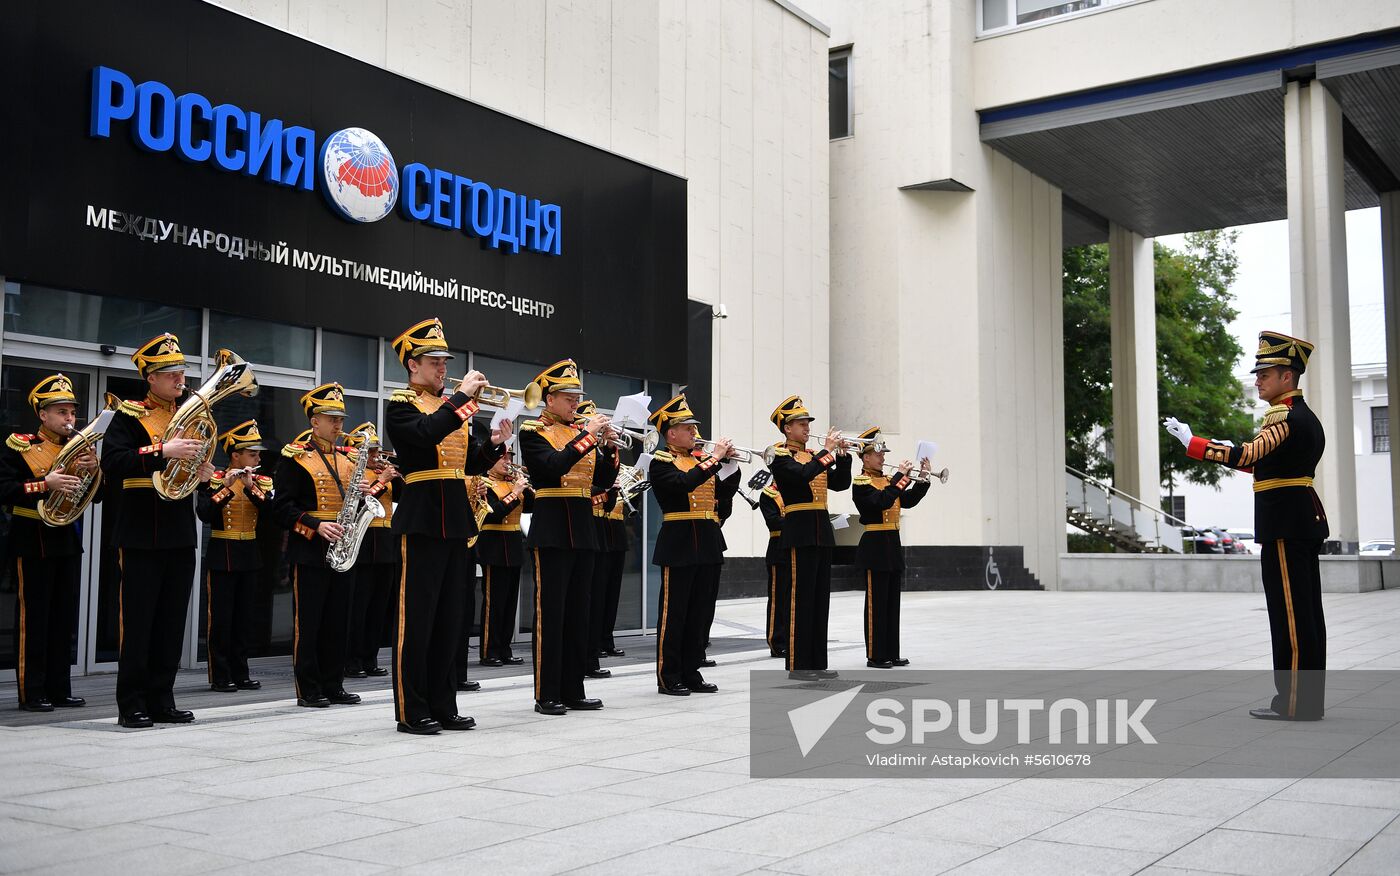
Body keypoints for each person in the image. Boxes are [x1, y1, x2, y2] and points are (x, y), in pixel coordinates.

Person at [1164, 330, 1328, 721]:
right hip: (1296, 519)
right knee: (1303, 615)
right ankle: (1304, 701)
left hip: (1286, 523)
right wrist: (1225, 449)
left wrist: (1195, 443)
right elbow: (1263, 463)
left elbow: (1249, 455)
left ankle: (1295, 704)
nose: (1257, 380)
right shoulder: (1299, 418)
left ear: (1287, 376)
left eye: (1265, 374)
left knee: (1290, 616)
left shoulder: (1287, 417)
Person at [384, 317, 509, 734]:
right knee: (417, 620)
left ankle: (444, 704)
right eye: (433, 361)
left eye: (444, 361)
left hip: (456, 519)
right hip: (421, 516)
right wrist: (460, 399)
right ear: (412, 366)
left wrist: (492, 447)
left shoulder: (454, 409)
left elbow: (468, 464)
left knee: (450, 620)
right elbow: (424, 435)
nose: (441, 367)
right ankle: (411, 709)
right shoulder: (401, 403)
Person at [103, 333, 216, 728]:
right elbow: (113, 461)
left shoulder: (188, 412)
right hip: (138, 530)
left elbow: (195, 469)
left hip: (179, 531)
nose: (179, 380)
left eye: (182, 373)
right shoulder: (129, 415)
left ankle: (162, 699)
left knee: (171, 622)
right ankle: (131, 703)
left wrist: (204, 475)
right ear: (150, 377)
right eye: (170, 374)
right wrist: (162, 452)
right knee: (138, 623)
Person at [0, 374, 100, 711]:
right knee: (35, 620)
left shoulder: (78, 449)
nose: (69, 419)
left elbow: (96, 497)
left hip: (66, 539)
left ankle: (60, 688)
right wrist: (44, 484)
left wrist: (94, 469)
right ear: (43, 415)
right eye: (61, 412)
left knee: (62, 619)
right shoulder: (20, 445)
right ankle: (33, 692)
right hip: (32, 539)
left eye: (71, 412)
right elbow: (4, 490)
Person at [518, 360, 608, 715]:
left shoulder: (579, 434)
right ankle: (547, 692)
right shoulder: (532, 431)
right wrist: (588, 438)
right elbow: (552, 467)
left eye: (576, 398)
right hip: (553, 526)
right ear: (550, 399)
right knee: (551, 614)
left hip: (583, 528)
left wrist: (608, 448)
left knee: (578, 614)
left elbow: (602, 477)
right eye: (569, 398)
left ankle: (573, 688)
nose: (575, 404)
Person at [273, 383, 366, 710]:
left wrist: (364, 494)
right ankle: (308, 688)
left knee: (338, 621)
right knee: (309, 623)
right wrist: (315, 526)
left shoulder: (349, 458)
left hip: (343, 549)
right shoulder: (295, 457)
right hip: (311, 549)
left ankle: (334, 683)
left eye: (340, 418)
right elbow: (281, 508)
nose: (338, 424)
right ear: (314, 420)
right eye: (331, 418)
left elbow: (352, 501)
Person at [647, 393, 741, 695]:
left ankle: (691, 671)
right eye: (688, 428)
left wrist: (729, 465)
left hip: (709, 540)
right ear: (671, 433)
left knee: (701, 613)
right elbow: (682, 484)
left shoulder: (701, 461)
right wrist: (714, 460)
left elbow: (724, 493)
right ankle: (669, 674)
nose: (695, 433)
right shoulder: (661, 462)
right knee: (674, 614)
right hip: (679, 541)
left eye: (694, 427)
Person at [767, 395, 851, 681]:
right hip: (799, 530)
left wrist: (843, 456)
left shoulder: (813, 456)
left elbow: (840, 483)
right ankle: (798, 665)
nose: (806, 427)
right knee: (800, 600)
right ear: (787, 428)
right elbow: (802, 476)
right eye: (800, 423)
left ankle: (816, 662)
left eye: (806, 423)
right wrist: (826, 453)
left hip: (821, 531)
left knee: (819, 601)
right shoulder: (779, 455)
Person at [196, 420, 273, 692]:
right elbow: (204, 513)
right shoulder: (214, 479)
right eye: (252, 454)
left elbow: (272, 514)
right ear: (235, 455)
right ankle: (220, 674)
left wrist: (251, 488)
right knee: (221, 619)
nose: (258, 458)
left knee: (244, 618)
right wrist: (226, 488)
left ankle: (241, 672)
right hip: (222, 553)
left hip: (249, 554)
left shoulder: (261, 482)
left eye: (257, 454)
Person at [850, 427, 930, 668]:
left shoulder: (887, 481)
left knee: (891, 604)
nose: (883, 457)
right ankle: (875, 654)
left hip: (891, 545)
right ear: (865, 457)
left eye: (883, 453)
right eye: (878, 453)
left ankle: (891, 652)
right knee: (876, 605)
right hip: (874, 546)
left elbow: (908, 500)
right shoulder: (862, 483)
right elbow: (880, 502)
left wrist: (923, 478)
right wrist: (900, 479)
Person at [341, 423, 401, 680]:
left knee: (379, 606)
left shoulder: (380, 473)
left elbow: (402, 497)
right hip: (363, 541)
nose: (377, 457)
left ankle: (370, 657)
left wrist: (398, 478)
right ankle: (352, 660)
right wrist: (382, 480)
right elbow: (357, 502)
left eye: (378, 452)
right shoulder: (352, 473)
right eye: (372, 452)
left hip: (385, 542)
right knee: (359, 605)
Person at [577, 398, 620, 680]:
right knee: (583, 600)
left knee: (596, 597)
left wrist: (608, 446)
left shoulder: (596, 449)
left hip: (596, 526)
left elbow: (604, 480)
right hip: (580, 520)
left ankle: (591, 656)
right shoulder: (574, 445)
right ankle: (583, 658)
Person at [476, 456, 531, 667]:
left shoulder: (511, 482)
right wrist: (515, 492)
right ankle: (489, 651)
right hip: (494, 545)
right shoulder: (485, 484)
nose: (507, 461)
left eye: (509, 457)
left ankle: (505, 649)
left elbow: (528, 508)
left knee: (509, 603)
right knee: (494, 603)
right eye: (503, 458)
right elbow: (494, 514)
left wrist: (525, 488)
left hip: (513, 545)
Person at [758, 482, 787, 659]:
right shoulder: (769, 494)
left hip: (797, 547)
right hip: (779, 548)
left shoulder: (797, 489)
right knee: (779, 599)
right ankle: (777, 642)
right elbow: (773, 521)